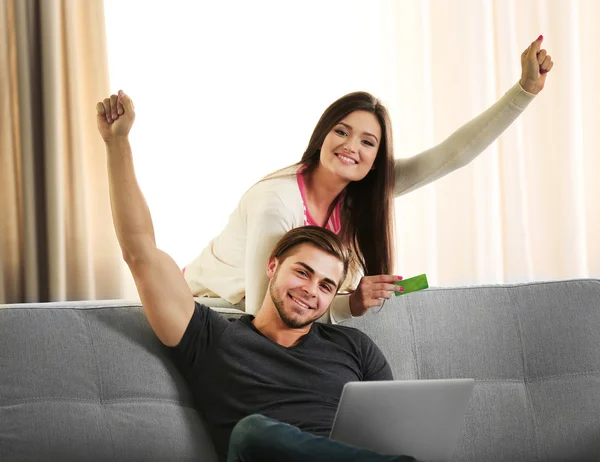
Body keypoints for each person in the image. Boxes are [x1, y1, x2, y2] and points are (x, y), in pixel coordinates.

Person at [95, 96, 417, 460]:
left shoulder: (355, 349)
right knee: (253, 432)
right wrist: (116, 142)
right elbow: (140, 252)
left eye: (327, 286)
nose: (311, 290)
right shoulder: (212, 339)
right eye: (302, 272)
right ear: (271, 266)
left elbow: (394, 435)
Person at [179, 35, 554, 322]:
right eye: (341, 132)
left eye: (368, 142)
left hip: (270, 319)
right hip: (209, 311)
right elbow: (265, 317)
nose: (351, 147)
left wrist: (524, 91)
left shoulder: (361, 194)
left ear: (376, 160)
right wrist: (348, 306)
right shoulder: (276, 203)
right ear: (322, 135)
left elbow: (451, 156)